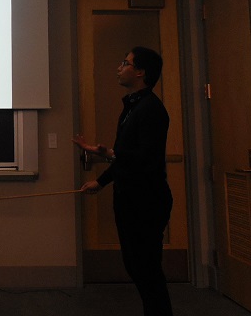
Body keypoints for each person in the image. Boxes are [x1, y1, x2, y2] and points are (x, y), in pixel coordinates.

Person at [73, 46, 173, 316]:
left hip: (146, 202)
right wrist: (101, 182)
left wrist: (109, 153)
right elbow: (125, 157)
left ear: (140, 72)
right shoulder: (132, 106)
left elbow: (145, 157)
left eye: (125, 63)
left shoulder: (151, 109)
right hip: (129, 199)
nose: (119, 67)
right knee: (136, 266)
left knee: (147, 269)